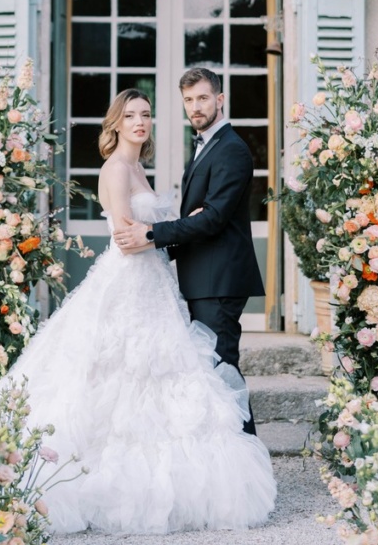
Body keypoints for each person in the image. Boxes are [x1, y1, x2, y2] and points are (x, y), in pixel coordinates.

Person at [0, 88, 276, 536]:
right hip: (130, 283)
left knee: (167, 377)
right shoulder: (116, 169)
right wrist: (162, 229)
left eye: (146, 114)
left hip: (156, 282)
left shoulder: (139, 167)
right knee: (114, 374)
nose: (140, 122)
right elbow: (125, 234)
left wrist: (162, 229)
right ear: (115, 122)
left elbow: (154, 230)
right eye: (131, 115)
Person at [113, 68, 264, 435]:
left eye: (202, 98)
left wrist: (152, 233)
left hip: (220, 280)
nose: (195, 107)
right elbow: (198, 219)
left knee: (222, 369)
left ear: (219, 99)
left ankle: (246, 459)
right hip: (203, 277)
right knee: (210, 371)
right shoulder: (206, 146)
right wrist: (164, 248)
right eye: (188, 100)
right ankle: (229, 457)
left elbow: (212, 220)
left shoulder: (231, 150)